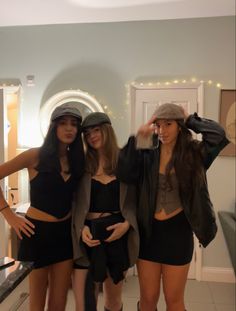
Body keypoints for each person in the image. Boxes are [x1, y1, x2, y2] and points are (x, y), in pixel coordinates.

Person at [116, 103, 229, 311]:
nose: (163, 130)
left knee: (174, 300)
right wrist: (135, 141)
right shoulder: (147, 152)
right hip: (149, 233)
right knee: (148, 298)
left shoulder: (195, 154)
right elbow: (123, 172)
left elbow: (219, 136)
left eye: (169, 124)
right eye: (159, 125)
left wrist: (190, 119)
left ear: (179, 126)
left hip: (178, 234)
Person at [0, 102, 85, 311]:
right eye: (63, 123)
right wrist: (8, 214)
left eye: (74, 124)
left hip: (64, 235)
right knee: (36, 303)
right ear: (53, 127)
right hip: (36, 233)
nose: (69, 128)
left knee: (59, 303)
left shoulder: (77, 160)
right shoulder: (35, 155)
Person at [72, 112, 139, 311]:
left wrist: (127, 225)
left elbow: (135, 201)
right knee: (86, 301)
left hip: (116, 234)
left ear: (107, 130)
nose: (92, 136)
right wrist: (81, 227)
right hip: (88, 235)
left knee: (113, 299)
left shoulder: (124, 160)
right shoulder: (82, 164)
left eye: (96, 130)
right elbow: (74, 202)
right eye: (87, 133)